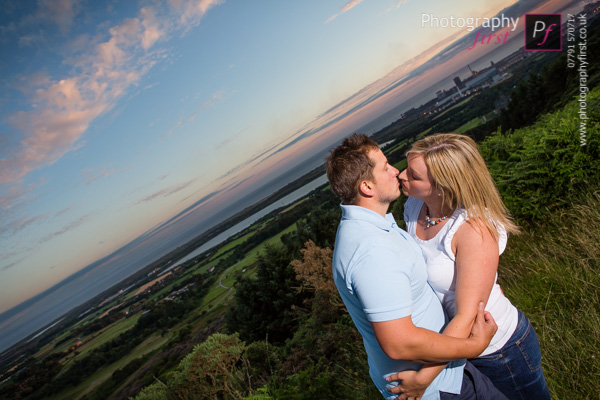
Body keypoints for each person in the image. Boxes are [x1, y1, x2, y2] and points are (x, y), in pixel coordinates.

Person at [326, 133, 508, 400]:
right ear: (367, 187)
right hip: (437, 389)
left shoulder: (377, 227)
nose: (395, 172)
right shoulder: (372, 251)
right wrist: (473, 345)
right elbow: (399, 343)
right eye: (385, 167)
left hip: (444, 372)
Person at [389, 133, 550, 400]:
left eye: (414, 176)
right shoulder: (415, 206)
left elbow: (467, 316)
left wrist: (424, 378)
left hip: (499, 351)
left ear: (444, 187)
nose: (402, 176)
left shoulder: (473, 229)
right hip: (456, 345)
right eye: (407, 167)